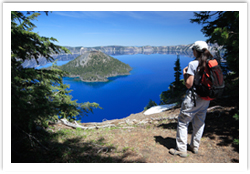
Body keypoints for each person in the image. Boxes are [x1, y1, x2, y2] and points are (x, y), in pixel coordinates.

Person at [169, 41, 214, 158]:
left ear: (196, 51)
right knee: (199, 122)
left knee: (183, 122)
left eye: (193, 49)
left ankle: (181, 149)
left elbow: (189, 84)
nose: (192, 51)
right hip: (206, 98)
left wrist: (185, 73)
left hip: (194, 98)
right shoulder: (211, 62)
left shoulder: (193, 64)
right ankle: (194, 147)